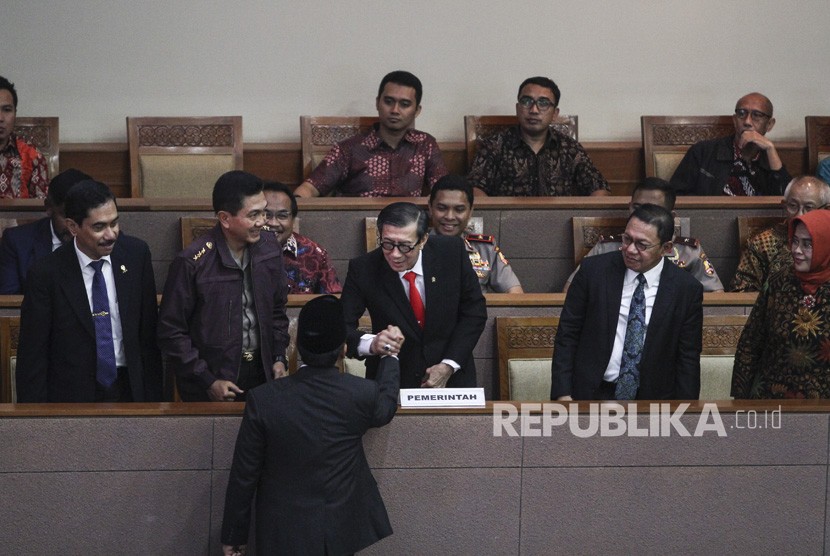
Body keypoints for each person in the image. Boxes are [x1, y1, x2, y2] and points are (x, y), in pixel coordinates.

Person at [221, 295, 398, 555]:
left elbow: (244, 475)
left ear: (297, 345)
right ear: (344, 349)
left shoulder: (264, 399)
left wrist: (234, 534)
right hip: (339, 533)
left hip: (280, 534)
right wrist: (390, 355)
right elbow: (386, 405)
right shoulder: (361, 394)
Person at [16, 180, 162, 402]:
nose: (111, 234)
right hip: (71, 398)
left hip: (129, 391)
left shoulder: (136, 256)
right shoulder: (46, 273)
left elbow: (148, 339)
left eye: (114, 223)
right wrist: (37, 421)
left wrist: (154, 403)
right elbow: (33, 356)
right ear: (73, 227)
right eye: (99, 227)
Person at [157, 171, 290, 402]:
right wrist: (207, 380)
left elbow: (277, 311)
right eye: (254, 215)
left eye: (264, 211)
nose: (263, 222)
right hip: (211, 381)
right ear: (225, 218)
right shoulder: (193, 262)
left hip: (263, 373)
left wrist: (279, 357)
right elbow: (171, 331)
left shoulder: (270, 248)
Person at [551, 204, 703, 400]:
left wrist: (687, 412)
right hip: (591, 394)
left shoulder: (686, 289)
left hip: (653, 402)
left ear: (666, 248)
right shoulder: (593, 272)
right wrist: (563, 394)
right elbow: (567, 336)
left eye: (642, 244)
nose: (630, 249)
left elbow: (688, 357)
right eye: (627, 239)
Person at [340, 201, 487, 389]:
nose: (394, 254)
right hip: (392, 383)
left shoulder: (451, 253)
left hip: (452, 379)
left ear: (423, 239)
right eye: (387, 244)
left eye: (405, 246)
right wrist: (372, 343)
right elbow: (342, 327)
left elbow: (474, 312)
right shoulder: (364, 268)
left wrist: (449, 365)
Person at [294, 71, 447, 198]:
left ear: (417, 110)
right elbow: (309, 189)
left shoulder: (425, 145)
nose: (395, 110)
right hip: (355, 228)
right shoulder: (349, 149)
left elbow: (444, 192)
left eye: (404, 104)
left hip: (409, 228)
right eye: (388, 101)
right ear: (377, 103)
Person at [732, 210, 830, 398]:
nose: (797, 250)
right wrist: (740, 400)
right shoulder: (778, 282)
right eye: (795, 241)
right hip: (771, 401)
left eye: (807, 244)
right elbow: (750, 343)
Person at [563, 177, 723, 292]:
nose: (642, 215)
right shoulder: (607, 248)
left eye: (652, 209)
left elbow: (715, 297)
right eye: (637, 207)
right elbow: (571, 290)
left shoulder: (689, 252)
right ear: (629, 207)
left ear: (671, 217)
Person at [467, 76, 609, 197]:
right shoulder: (494, 146)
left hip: (559, 225)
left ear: (555, 114)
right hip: (506, 224)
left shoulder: (570, 148)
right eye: (527, 101)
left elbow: (599, 188)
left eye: (543, 103)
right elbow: (474, 189)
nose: (534, 110)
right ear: (517, 108)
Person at [670, 92, 790, 196]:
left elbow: (785, 202)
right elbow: (676, 195)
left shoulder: (772, 158)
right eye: (742, 114)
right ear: (734, 119)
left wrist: (770, 148)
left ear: (769, 124)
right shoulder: (703, 151)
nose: (747, 122)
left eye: (757, 115)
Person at [0, 168, 92, 294]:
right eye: (67, 216)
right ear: (49, 207)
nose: (74, 227)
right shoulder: (17, 242)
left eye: (82, 216)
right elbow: (9, 305)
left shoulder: (107, 240)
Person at [427, 174, 523, 293]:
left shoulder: (485, 249)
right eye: (442, 208)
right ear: (430, 208)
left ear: (470, 211)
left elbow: (515, 292)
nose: (449, 216)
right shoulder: (414, 247)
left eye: (459, 210)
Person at [732, 176, 830, 292]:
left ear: (826, 209)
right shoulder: (763, 242)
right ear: (784, 205)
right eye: (793, 206)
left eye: (808, 207)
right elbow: (741, 290)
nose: (799, 214)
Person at [262, 180, 342, 294]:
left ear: (293, 220)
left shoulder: (315, 253)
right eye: (266, 215)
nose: (273, 223)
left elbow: (331, 302)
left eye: (282, 216)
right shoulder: (242, 249)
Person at [0, 75, 48, 199]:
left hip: (22, 219)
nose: (0, 118)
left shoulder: (32, 156)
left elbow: (40, 210)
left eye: (6, 110)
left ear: (15, 113)